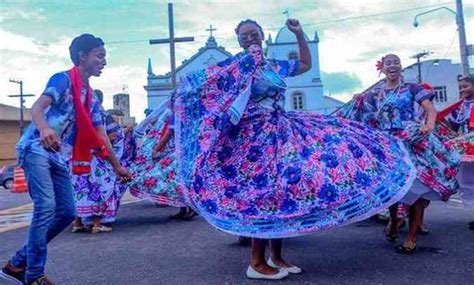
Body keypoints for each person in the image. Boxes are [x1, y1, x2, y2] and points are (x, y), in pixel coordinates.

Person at [173, 19, 416, 280]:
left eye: (254, 34)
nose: (250, 39)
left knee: (283, 190)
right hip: (254, 137)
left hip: (281, 130)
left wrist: (299, 34)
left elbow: (305, 65)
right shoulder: (236, 66)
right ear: (238, 41)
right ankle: (256, 262)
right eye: (244, 37)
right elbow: (202, 84)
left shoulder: (275, 65)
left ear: (262, 35)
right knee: (263, 192)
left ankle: (275, 256)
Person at [0, 34, 130, 285]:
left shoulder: (90, 97)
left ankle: (16, 264)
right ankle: (34, 274)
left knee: (67, 212)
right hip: (35, 148)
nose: (104, 61)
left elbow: (101, 135)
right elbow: (37, 107)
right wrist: (45, 128)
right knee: (46, 207)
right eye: (99, 56)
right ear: (82, 56)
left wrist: (117, 166)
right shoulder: (62, 80)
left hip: (58, 157)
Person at [336, 54, 463, 253]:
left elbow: (430, 110)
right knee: (393, 190)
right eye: (389, 63)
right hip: (388, 146)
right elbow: (361, 113)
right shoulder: (375, 94)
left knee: (418, 188)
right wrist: (356, 101)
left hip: (413, 143)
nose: (393, 65)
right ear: (382, 69)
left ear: (401, 67)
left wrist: (428, 126)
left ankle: (411, 237)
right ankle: (395, 219)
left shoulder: (412, 88)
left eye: (396, 62)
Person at [128, 103, 196, 219]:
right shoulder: (187, 112)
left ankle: (189, 208)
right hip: (186, 151)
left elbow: (169, 134)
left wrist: (156, 149)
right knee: (179, 180)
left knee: (174, 179)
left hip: (178, 152)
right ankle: (185, 208)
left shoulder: (177, 114)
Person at [72, 113, 126, 233]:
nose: (115, 136)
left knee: (81, 192)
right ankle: (97, 224)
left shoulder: (81, 120)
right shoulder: (101, 120)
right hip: (97, 164)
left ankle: (78, 223)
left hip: (81, 162)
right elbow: (109, 143)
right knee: (101, 191)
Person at [446, 75, 474, 230]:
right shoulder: (459, 106)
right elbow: (453, 126)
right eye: (460, 87)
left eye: (466, 86)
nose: (462, 89)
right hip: (467, 150)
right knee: (468, 181)